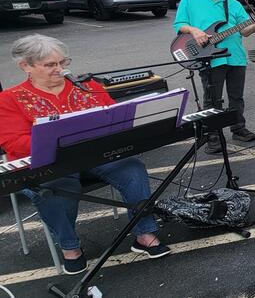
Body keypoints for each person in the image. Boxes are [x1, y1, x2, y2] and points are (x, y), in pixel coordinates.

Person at [0, 34, 171, 275]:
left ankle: (144, 232)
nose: (60, 69)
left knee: (132, 168)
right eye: (50, 65)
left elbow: (114, 115)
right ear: (25, 66)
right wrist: (61, 139)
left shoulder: (86, 86)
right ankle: (71, 247)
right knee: (56, 186)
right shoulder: (10, 98)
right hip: (48, 163)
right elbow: (13, 142)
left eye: (62, 62)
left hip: (93, 154)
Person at [174, 0, 255, 154]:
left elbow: (244, 30)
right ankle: (213, 134)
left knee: (236, 96)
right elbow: (180, 24)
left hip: (235, 56)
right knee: (212, 98)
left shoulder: (233, 3)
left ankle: (238, 127)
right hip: (209, 57)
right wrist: (194, 31)